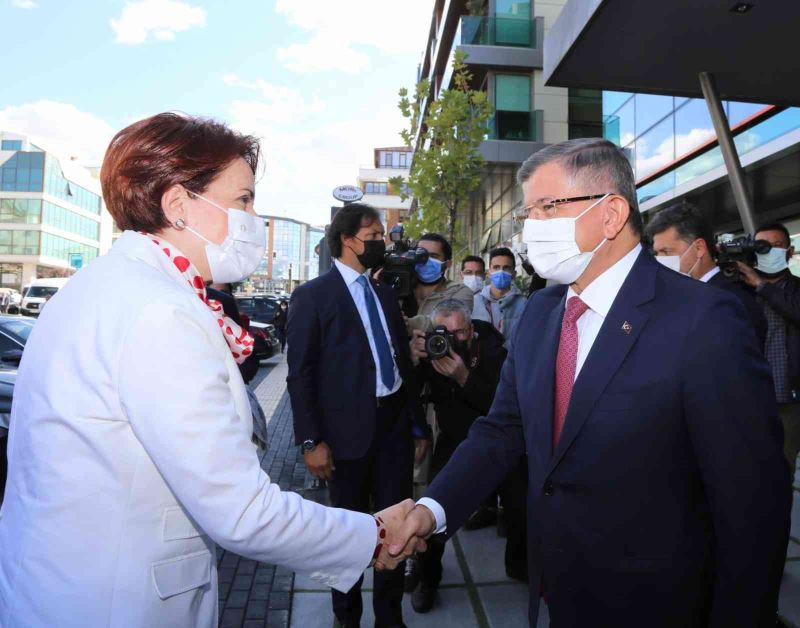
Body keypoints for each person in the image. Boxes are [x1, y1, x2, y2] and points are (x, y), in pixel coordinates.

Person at [0, 113, 416, 628]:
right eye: (242, 199)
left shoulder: (108, 286)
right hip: (118, 603)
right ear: (178, 206)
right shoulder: (157, 311)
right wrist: (372, 535)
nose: (253, 218)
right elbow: (239, 508)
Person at [390, 137, 790, 627]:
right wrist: (431, 510)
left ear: (611, 212)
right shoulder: (540, 312)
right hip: (559, 587)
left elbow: (750, 498)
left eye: (547, 207)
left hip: (659, 602)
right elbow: (503, 428)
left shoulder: (704, 319)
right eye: (528, 213)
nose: (532, 226)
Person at [287, 202, 428, 628]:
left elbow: (400, 364)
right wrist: (311, 440)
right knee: (345, 539)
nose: (382, 243)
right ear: (348, 241)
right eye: (374, 236)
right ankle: (346, 618)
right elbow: (300, 374)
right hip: (344, 437)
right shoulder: (312, 296)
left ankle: (389, 618)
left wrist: (416, 424)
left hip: (393, 430)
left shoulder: (384, 293)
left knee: (398, 529)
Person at [406, 299, 506, 613]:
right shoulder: (430, 351)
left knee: (523, 510)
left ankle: (524, 565)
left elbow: (503, 408)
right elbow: (409, 396)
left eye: (459, 333)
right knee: (434, 511)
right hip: (453, 442)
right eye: (443, 333)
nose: (450, 341)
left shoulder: (493, 351)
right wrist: (411, 360)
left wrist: (464, 377)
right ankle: (428, 578)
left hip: (500, 439)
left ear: (472, 330)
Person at [647, 201, 767, 346]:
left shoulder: (731, 304)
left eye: (667, 252)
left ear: (699, 248)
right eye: (657, 253)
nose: (660, 260)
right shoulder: (674, 297)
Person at [738, 222, 800, 475]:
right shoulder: (738, 289)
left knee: (781, 471)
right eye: (763, 247)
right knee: (747, 470)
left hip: (789, 399)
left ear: (790, 251)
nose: (769, 252)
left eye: (776, 246)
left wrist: (762, 286)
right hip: (748, 396)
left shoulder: (797, 289)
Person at [405, 233, 475, 333]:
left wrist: (405, 324)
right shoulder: (400, 288)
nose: (425, 260)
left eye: (433, 256)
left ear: (447, 264)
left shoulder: (459, 291)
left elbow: (448, 321)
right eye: (420, 255)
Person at [473, 247, 528, 349]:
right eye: (496, 267)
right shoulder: (475, 302)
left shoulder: (524, 304)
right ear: (489, 273)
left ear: (514, 274)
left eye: (506, 268)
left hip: (510, 361)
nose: (501, 272)